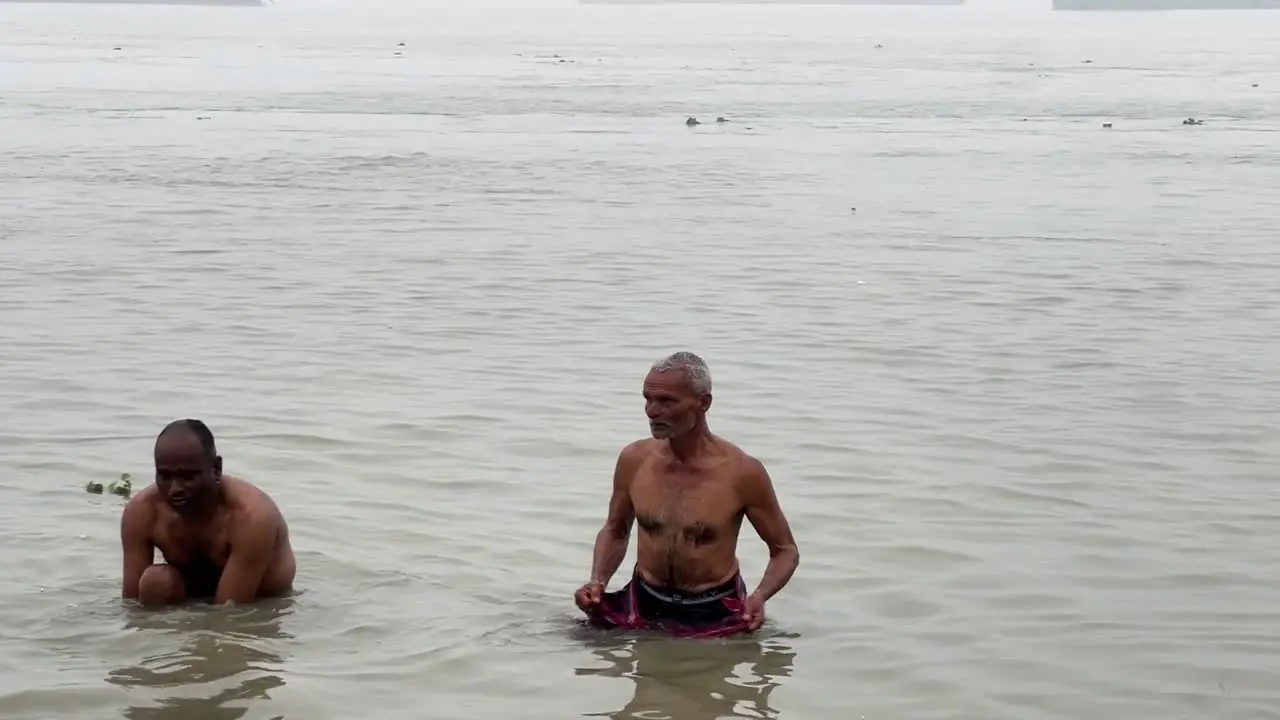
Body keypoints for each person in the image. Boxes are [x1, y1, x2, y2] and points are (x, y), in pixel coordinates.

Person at [575, 351, 800, 636]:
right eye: (647, 398)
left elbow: (785, 551)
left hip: (713, 608)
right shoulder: (634, 460)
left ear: (703, 403)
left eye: (666, 401)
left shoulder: (742, 472)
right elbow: (615, 530)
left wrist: (760, 596)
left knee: (704, 677)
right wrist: (598, 581)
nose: (652, 411)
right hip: (642, 601)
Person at [120, 419, 295, 607]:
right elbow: (131, 604)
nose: (174, 489)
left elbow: (230, 612)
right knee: (157, 582)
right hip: (191, 595)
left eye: (188, 477)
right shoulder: (143, 511)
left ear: (216, 469)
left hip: (259, 600)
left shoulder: (250, 516)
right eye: (165, 476)